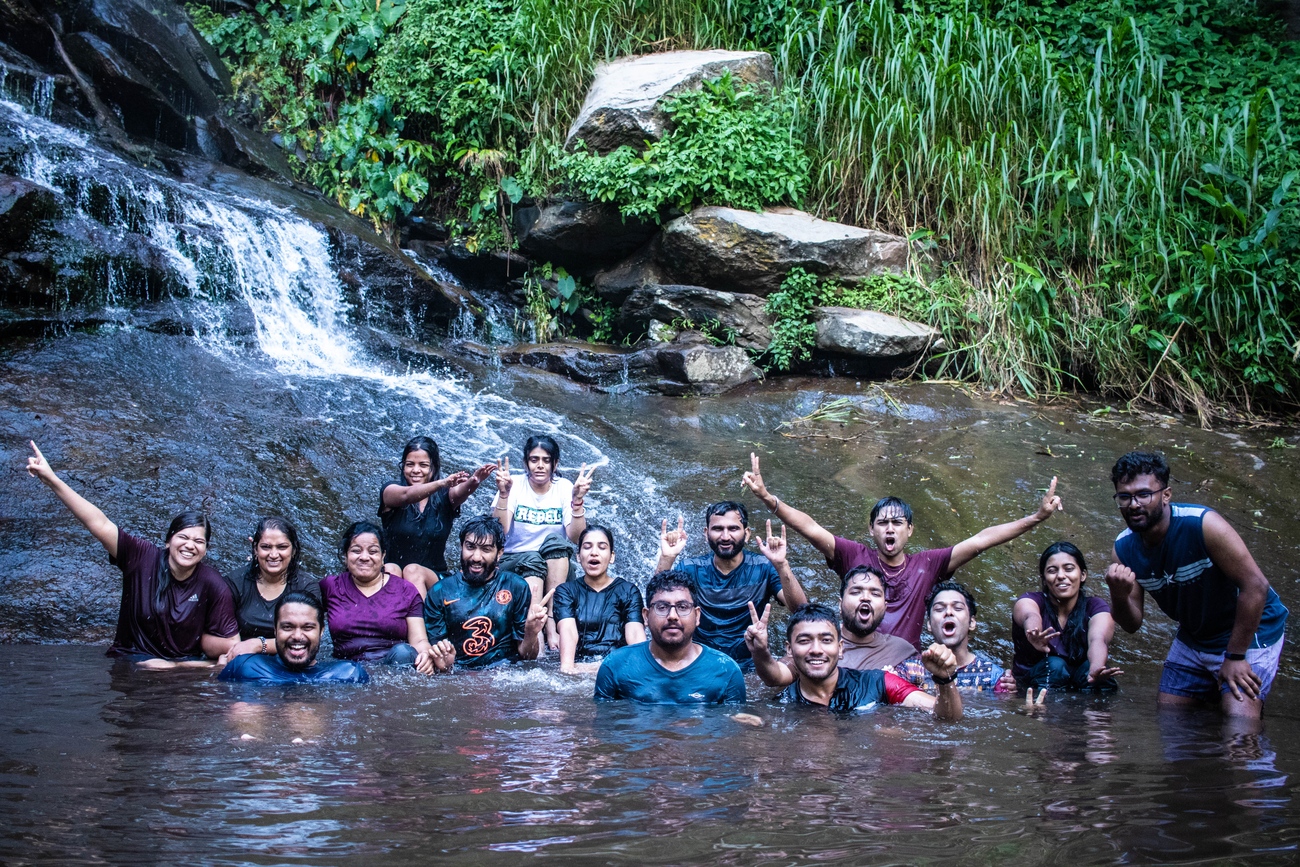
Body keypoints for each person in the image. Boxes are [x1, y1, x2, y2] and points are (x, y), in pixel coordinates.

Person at [741, 452, 1063, 649]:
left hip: (905, 662)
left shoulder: (928, 564)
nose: (890, 529)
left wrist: (1036, 517)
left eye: (897, 523)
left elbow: (981, 540)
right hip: (853, 653)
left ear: (910, 530)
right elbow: (810, 528)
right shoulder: (854, 556)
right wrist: (769, 499)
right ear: (871, 530)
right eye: (882, 523)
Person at [1105, 451, 1288, 719]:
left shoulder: (1203, 524)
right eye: (1125, 497)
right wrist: (1119, 595)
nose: (1134, 504)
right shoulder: (1123, 549)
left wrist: (1235, 657)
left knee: (1239, 724)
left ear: (1166, 495)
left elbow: (1256, 586)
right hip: (1195, 635)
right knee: (1170, 718)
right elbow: (1132, 624)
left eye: (1144, 494)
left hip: (1252, 629)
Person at [25, 440, 237, 668]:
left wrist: (210, 663)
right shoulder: (141, 557)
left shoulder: (212, 583)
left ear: (205, 549)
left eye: (198, 541)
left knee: (179, 667)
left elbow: (232, 643)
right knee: (159, 666)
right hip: (131, 660)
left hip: (183, 668)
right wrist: (52, 480)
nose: (190, 545)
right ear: (168, 541)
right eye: (183, 537)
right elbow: (99, 524)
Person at [654, 504, 808, 667]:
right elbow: (656, 607)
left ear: (746, 534)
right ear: (706, 533)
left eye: (733, 529)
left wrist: (782, 565)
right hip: (701, 664)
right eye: (718, 529)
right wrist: (667, 558)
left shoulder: (764, 567)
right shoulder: (690, 569)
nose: (725, 537)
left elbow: (801, 610)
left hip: (752, 665)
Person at [749, 603, 963, 719]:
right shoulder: (781, 706)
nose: (816, 650)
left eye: (826, 640)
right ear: (789, 649)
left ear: (840, 648)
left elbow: (946, 717)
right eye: (804, 641)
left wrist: (945, 679)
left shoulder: (878, 683)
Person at [492, 434, 596, 647]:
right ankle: (536, 632)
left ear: (555, 464)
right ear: (526, 463)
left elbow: (576, 537)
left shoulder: (564, 487)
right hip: (513, 564)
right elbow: (498, 532)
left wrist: (577, 500)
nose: (540, 465)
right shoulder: (515, 485)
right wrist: (503, 494)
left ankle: (551, 620)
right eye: (534, 459)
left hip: (555, 567)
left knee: (558, 543)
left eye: (546, 460)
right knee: (533, 559)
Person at [594, 571, 747, 704]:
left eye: (682, 607)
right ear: (646, 616)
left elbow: (734, 726)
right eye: (662, 607)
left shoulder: (725, 671)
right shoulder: (616, 666)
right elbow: (604, 724)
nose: (672, 616)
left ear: (697, 615)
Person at [423, 515, 549, 670]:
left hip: (505, 673)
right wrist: (445, 665)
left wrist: (531, 632)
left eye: (486, 549)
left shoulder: (515, 586)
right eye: (470, 547)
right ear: (461, 546)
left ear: (499, 553)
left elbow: (527, 657)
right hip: (461, 675)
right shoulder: (440, 592)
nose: (476, 557)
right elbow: (440, 656)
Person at [379, 436, 496, 597]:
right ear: (403, 466)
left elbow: (459, 492)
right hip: (396, 576)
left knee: (412, 571)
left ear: (433, 468)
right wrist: (441, 483)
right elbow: (406, 495)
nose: (416, 470)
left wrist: (474, 481)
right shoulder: (391, 491)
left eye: (423, 465)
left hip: (434, 578)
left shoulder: (444, 497)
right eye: (410, 464)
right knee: (390, 569)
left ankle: (423, 614)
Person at [319, 522, 435, 672]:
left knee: (404, 652)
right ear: (346, 555)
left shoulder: (405, 590)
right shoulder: (331, 586)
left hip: (394, 670)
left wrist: (425, 655)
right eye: (356, 551)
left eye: (373, 551)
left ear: (383, 556)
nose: (364, 557)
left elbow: (419, 640)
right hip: (345, 670)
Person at [1011, 542, 1121, 692]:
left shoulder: (1095, 606)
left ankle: (1092, 704)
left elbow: (1098, 639)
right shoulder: (1030, 600)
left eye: (1069, 569)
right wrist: (1034, 632)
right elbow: (1030, 615)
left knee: (1095, 674)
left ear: (1083, 575)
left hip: (1079, 679)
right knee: (1055, 666)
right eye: (1052, 571)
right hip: (1034, 682)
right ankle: (1039, 706)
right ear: (1044, 578)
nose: (1061, 576)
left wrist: (1096, 669)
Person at [222, 516, 320, 660]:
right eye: (266, 547)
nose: (273, 555)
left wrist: (259, 645)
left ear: (293, 550)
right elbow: (214, 636)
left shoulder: (306, 586)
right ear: (255, 549)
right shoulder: (235, 583)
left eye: (282, 547)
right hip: (243, 660)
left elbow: (310, 639)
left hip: (293, 661)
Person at [554, 524, 647, 674]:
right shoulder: (566, 591)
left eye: (602, 547)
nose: (594, 553)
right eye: (587, 547)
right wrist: (567, 667)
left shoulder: (628, 591)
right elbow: (568, 631)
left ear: (612, 557)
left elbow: (635, 633)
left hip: (618, 668)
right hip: (581, 668)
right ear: (578, 556)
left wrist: (642, 667)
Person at [219, 592, 369, 684]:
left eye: (307, 627)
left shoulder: (348, 673)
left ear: (321, 631)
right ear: (275, 630)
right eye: (288, 627)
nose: (297, 636)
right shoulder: (244, 667)